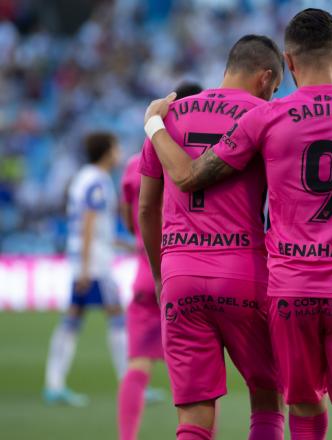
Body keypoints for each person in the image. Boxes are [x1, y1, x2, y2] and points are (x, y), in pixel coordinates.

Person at [143, 8, 332, 440]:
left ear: (291, 59)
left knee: (293, 404)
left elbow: (185, 180)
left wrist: (153, 122)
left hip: (287, 288)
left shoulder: (265, 119)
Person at [139, 35, 285, 440]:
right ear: (266, 77)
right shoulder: (268, 116)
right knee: (269, 395)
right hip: (244, 270)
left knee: (194, 417)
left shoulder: (167, 116)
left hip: (180, 273)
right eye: (276, 87)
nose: (275, 94)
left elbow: (147, 210)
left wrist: (159, 275)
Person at [116, 81, 202, 440]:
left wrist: (139, 237)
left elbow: (131, 212)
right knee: (197, 375)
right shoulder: (201, 156)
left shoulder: (141, 157)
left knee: (137, 365)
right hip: (188, 266)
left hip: (147, 267)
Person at [44, 132, 126, 406]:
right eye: (116, 147)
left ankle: (53, 384)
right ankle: (130, 383)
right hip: (95, 263)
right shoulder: (98, 181)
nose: (120, 152)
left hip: (84, 256)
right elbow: (90, 222)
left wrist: (126, 246)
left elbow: (93, 225)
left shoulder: (83, 177)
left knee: (72, 318)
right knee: (117, 316)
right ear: (107, 152)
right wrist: (87, 268)